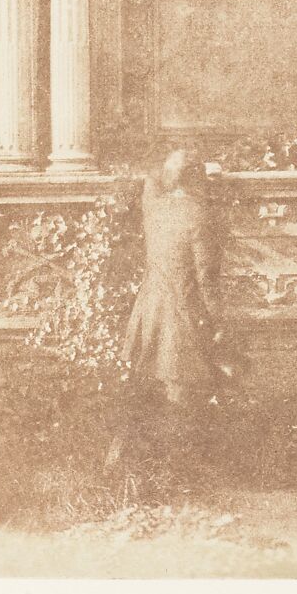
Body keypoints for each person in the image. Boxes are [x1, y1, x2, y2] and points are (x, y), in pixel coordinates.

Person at [106, 147, 233, 470]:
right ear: (200, 180)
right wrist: (219, 322)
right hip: (181, 311)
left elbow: (151, 180)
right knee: (181, 392)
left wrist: (170, 167)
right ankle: (176, 470)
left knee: (148, 385)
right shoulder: (199, 216)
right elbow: (206, 279)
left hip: (150, 308)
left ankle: (134, 463)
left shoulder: (155, 206)